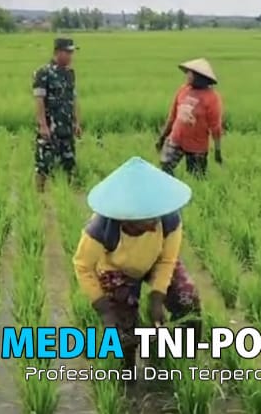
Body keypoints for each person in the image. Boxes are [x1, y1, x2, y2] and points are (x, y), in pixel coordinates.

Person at [73, 157, 202, 375]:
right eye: (145, 220)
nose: (153, 224)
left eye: (154, 216)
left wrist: (157, 296)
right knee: (122, 324)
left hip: (155, 262)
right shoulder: (102, 226)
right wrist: (104, 309)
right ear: (125, 217)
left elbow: (168, 259)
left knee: (187, 296)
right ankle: (127, 370)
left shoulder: (168, 218)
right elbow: (83, 266)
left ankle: (183, 360)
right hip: (118, 269)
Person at [156, 58, 223, 178]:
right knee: (165, 168)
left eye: (190, 73)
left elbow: (215, 128)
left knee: (197, 177)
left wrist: (217, 151)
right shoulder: (183, 90)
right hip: (176, 139)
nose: (187, 75)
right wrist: (162, 137)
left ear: (199, 77)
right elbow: (172, 116)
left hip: (197, 145)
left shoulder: (212, 98)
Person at [33, 38, 81, 192]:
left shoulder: (70, 74)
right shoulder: (43, 73)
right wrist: (43, 125)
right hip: (50, 128)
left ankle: (66, 194)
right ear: (58, 52)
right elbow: (39, 100)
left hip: (66, 128)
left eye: (71, 53)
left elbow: (73, 99)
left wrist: (77, 122)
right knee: (44, 164)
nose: (70, 56)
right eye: (68, 52)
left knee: (69, 163)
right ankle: (39, 197)